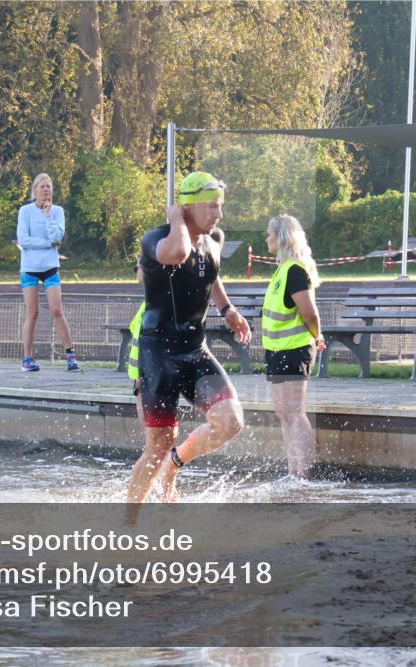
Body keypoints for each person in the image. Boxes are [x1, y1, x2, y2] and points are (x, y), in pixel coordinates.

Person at [126, 172, 250, 512]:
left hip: (194, 350)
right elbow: (179, 253)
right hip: (157, 353)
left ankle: (174, 465)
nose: (218, 215)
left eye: (220, 207)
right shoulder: (156, 238)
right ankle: (127, 524)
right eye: (211, 207)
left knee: (230, 422)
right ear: (188, 205)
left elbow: (208, 270)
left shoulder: (214, 240)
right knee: (157, 444)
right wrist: (175, 217)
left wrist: (227, 310)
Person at [262, 214, 325, 477]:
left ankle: (304, 473)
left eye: (270, 234)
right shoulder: (282, 269)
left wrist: (317, 335)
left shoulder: (296, 270)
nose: (267, 238)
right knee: (283, 412)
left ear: (282, 237)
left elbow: (309, 312)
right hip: (277, 350)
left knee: (295, 412)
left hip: (294, 349)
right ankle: (293, 471)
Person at [17, 172, 80, 372]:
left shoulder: (57, 211)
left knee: (56, 310)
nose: (46, 190)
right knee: (32, 312)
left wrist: (48, 216)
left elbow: (58, 236)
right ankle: (27, 358)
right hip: (30, 269)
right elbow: (24, 240)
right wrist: (47, 244)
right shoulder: (25, 211)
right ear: (35, 190)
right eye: (42, 186)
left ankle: (70, 356)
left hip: (50, 268)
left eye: (49, 187)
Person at [127, 259, 146, 423]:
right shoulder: (148, 302)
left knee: (151, 425)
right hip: (141, 374)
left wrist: (140, 375)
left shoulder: (153, 305)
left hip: (146, 375)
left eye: (137, 268)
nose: (136, 271)